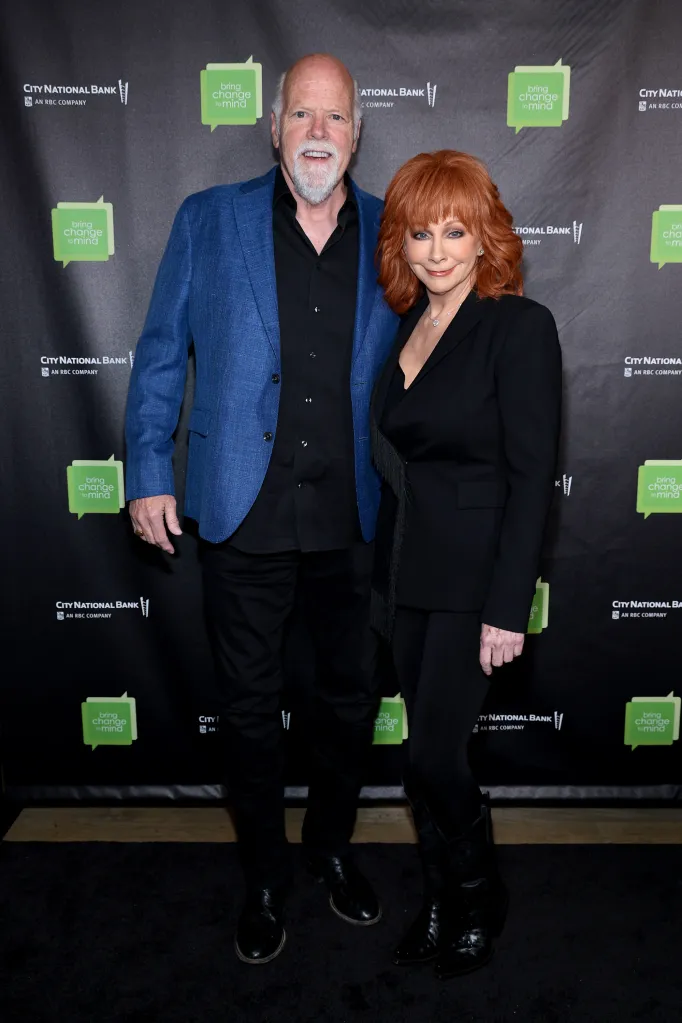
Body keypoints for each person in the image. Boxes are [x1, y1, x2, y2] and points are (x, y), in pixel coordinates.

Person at [125, 54, 398, 965]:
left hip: (354, 518)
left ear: (357, 133)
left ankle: (327, 850)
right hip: (239, 512)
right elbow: (163, 350)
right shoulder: (210, 219)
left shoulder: (394, 232)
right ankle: (265, 876)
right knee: (248, 710)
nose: (318, 132)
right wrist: (146, 469)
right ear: (273, 126)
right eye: (302, 115)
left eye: (335, 118)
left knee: (349, 704)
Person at [371, 150, 562, 979]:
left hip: (474, 584)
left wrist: (507, 606)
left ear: (485, 237)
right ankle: (442, 897)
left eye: (455, 230)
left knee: (434, 759)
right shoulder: (406, 328)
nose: (438, 249)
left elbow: (531, 480)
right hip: (405, 576)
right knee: (423, 760)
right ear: (402, 243)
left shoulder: (520, 326)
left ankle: (481, 894)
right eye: (421, 232)